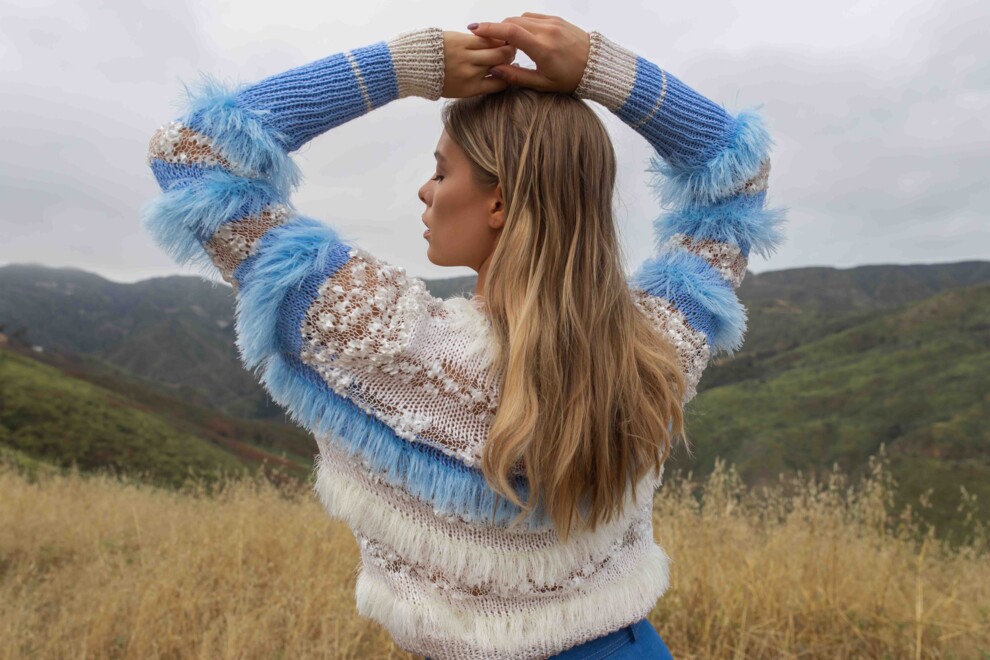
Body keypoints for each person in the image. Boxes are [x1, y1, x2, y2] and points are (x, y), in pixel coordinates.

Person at [143, 12, 786, 659]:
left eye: (441, 171)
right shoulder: (653, 346)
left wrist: (405, 67)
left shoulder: (388, 339)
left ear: (499, 202)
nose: (426, 191)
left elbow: (193, 151)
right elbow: (734, 178)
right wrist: (603, 70)